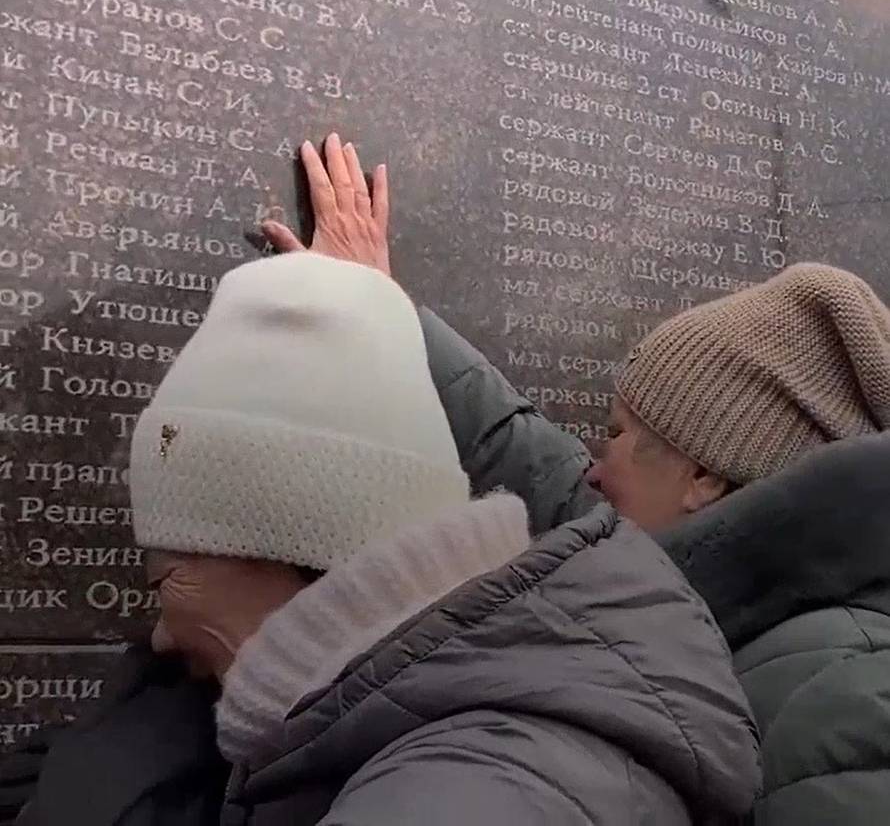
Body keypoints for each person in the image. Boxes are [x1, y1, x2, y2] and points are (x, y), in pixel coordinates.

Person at [14, 153, 760, 825]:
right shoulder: (505, 719)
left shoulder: (479, 788)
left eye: (167, 569)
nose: (158, 636)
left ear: (289, 536)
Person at [263, 134, 890, 825]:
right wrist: (379, 312)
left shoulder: (840, 693)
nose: (594, 466)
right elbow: (542, 469)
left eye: (618, 434)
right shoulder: (720, 590)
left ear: (705, 477)